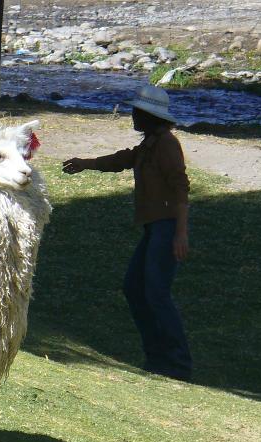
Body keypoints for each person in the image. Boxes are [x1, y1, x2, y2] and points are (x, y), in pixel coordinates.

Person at [62, 85, 193, 381]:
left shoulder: (166, 145)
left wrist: (181, 232)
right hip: (154, 228)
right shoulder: (150, 145)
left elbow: (181, 187)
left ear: (149, 116)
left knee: (156, 292)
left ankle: (177, 362)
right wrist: (87, 164)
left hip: (166, 226)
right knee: (135, 288)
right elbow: (123, 160)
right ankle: (156, 356)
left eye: (137, 111)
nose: (132, 115)